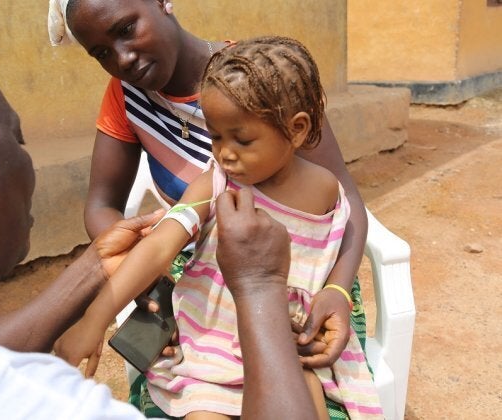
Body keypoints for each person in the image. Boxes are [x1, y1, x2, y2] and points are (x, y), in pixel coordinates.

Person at [0, 38, 319, 419]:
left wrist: (91, 275)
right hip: (217, 345)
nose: (223, 153)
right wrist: (259, 284)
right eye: (18, 139)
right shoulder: (37, 401)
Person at [54, 36, 382, 419]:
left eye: (242, 139)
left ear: (296, 129)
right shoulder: (214, 184)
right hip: (211, 340)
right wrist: (94, 319)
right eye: (215, 135)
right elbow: (159, 247)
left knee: (304, 399)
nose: (224, 153)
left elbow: (336, 247)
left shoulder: (326, 189)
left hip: (286, 339)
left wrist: (336, 292)